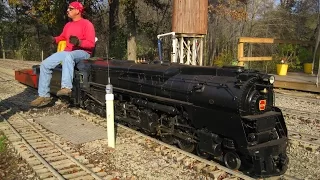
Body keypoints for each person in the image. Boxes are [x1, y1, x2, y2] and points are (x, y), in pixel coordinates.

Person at [30, 1, 96, 107]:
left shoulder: (87, 24)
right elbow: (62, 37)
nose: (67, 10)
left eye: (70, 9)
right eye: (68, 9)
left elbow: (91, 44)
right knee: (45, 64)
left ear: (77, 11)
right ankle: (44, 96)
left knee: (69, 57)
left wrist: (79, 42)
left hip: (83, 53)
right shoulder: (68, 25)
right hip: (68, 52)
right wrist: (52, 39)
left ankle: (66, 88)